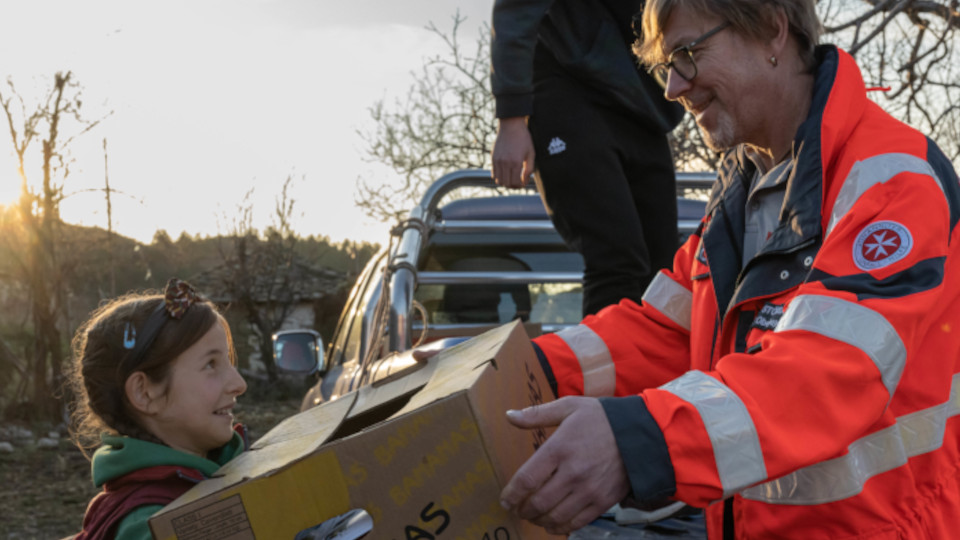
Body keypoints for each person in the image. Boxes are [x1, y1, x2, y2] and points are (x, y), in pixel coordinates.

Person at [496, 0, 960, 538]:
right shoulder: (745, 188)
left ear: (771, 30)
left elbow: (822, 377)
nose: (672, 87)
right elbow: (664, 333)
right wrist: (515, 371)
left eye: (688, 54)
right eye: (665, 66)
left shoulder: (891, 180)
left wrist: (639, 440)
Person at [490, 0, 685, 317]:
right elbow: (515, 9)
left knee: (663, 265)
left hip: (642, 98)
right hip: (568, 82)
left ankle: (660, 366)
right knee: (616, 257)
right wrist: (511, 118)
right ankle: (606, 366)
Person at [68, 279, 248, 540]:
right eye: (210, 364)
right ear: (144, 392)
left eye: (228, 361)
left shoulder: (211, 478)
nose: (239, 384)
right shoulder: (150, 526)